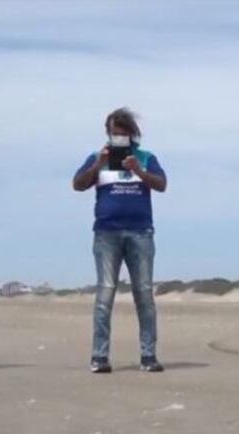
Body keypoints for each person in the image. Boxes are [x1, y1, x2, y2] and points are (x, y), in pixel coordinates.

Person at [73, 107, 167, 374]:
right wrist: (97, 166)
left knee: (144, 294)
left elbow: (161, 185)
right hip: (106, 233)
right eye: (115, 135)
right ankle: (99, 356)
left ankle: (148, 355)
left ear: (132, 135)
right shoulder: (96, 157)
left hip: (141, 232)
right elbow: (78, 184)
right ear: (108, 134)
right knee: (105, 293)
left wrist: (138, 170)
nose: (119, 140)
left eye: (124, 136)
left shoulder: (146, 158)